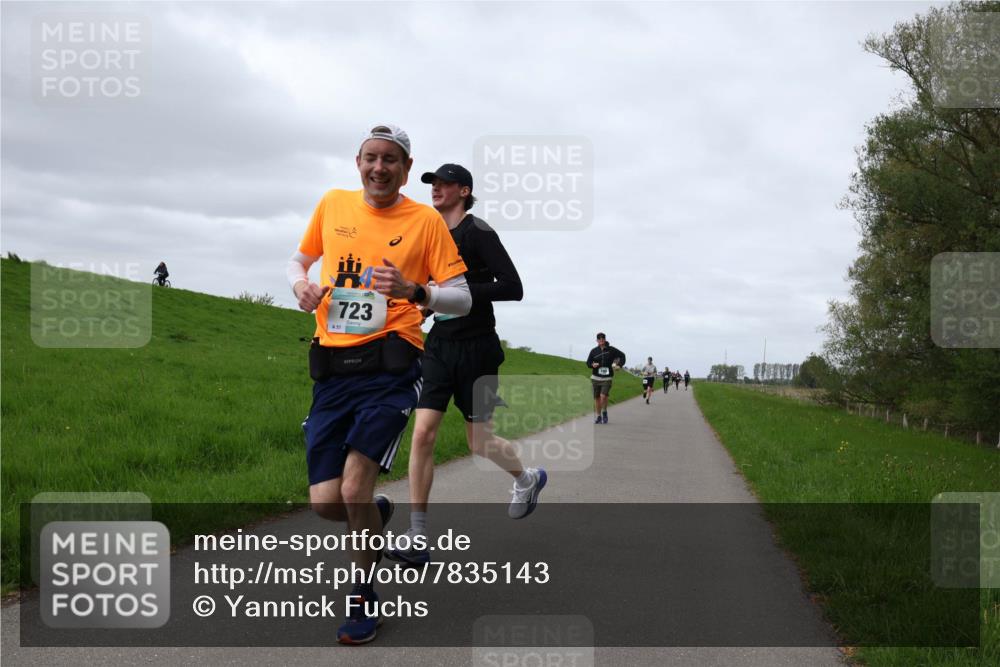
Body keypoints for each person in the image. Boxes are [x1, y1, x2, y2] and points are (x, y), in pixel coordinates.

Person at [286, 125, 472, 645]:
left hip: (391, 367)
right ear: (357, 161)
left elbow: (462, 298)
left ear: (406, 168)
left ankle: (362, 598)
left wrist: (416, 290)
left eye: (391, 159)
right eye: (371, 157)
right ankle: (375, 515)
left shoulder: (426, 221)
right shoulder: (333, 204)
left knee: (352, 488)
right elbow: (298, 260)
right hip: (331, 368)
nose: (379, 168)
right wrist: (300, 285)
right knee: (328, 503)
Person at [386, 163, 544, 568]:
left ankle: (526, 480)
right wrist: (423, 304)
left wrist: (454, 292)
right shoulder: (430, 234)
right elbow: (425, 292)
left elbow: (513, 287)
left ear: (464, 190)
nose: (436, 189)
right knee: (422, 434)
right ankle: (417, 534)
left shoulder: (479, 232)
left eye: (444, 184)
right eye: (432, 184)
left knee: (478, 442)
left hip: (479, 349)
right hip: (439, 345)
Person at [585, 333, 626, 424]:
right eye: (599, 339)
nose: (601, 340)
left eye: (602, 339)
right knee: (597, 398)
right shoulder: (594, 351)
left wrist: (619, 365)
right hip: (595, 378)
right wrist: (592, 365)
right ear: (597, 341)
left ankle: (604, 413)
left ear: (605, 339)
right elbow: (588, 362)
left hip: (607, 378)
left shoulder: (611, 350)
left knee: (603, 396)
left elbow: (623, 355)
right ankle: (599, 416)